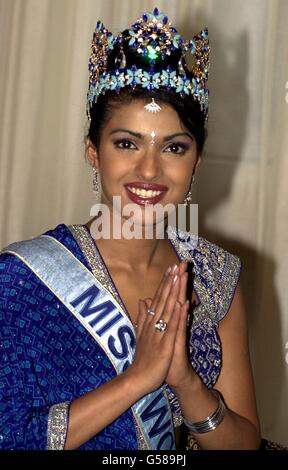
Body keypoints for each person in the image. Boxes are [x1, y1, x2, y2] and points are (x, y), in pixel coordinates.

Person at [0, 8, 261, 450]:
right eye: (126, 143)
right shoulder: (23, 277)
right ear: (93, 152)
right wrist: (138, 379)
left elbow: (244, 445)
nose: (149, 169)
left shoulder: (215, 276)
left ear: (195, 160)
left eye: (174, 147)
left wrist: (185, 382)